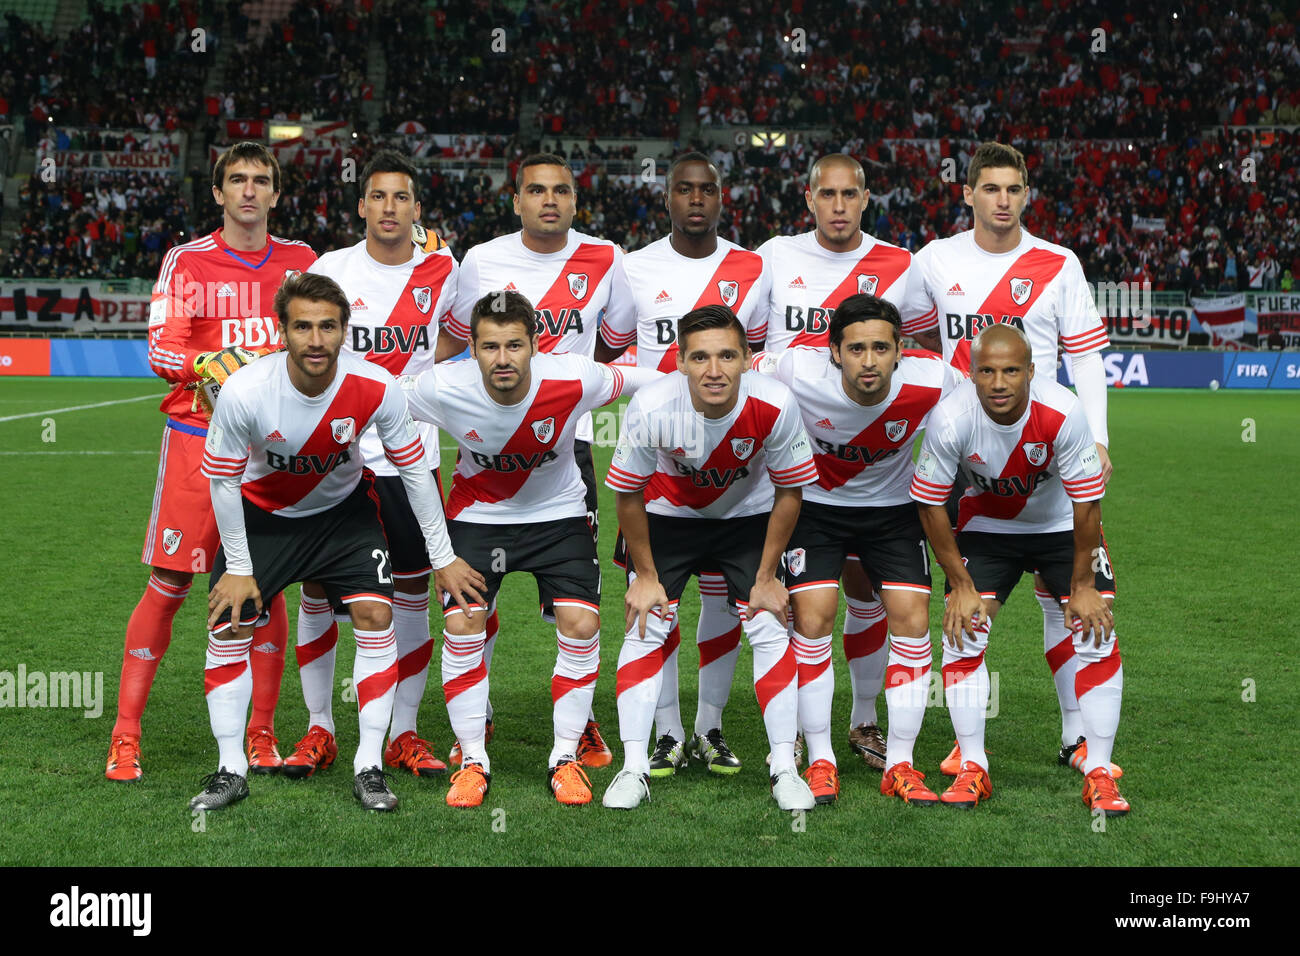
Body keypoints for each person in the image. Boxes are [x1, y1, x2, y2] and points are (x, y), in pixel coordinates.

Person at [192, 272, 483, 812]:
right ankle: (230, 767)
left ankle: (368, 765)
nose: (316, 339)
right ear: (282, 331)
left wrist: (442, 558)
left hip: (343, 516)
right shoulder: (244, 390)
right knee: (229, 623)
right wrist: (237, 566)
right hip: (265, 518)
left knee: (377, 615)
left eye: (328, 326)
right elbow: (223, 480)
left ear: (345, 331)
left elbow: (416, 472)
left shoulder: (375, 386)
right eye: (302, 326)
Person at [903, 142, 1122, 779]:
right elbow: (910, 338)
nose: (1002, 200)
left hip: (1048, 454)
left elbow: (1084, 357)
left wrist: (1099, 437)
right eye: (990, 189)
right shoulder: (935, 260)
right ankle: (969, 745)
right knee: (965, 609)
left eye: (1014, 189)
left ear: (1027, 195)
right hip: (969, 464)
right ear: (967, 193)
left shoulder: (1059, 263)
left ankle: (1077, 735)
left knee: (1067, 603)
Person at [106, 142, 317, 783]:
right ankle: (126, 735)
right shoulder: (187, 261)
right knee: (169, 585)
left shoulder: (302, 261)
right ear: (219, 192)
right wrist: (203, 364)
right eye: (237, 180)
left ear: (276, 195)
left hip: (274, 447)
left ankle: (260, 733)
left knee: (267, 586)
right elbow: (160, 346)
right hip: (197, 440)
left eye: (261, 180)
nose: (249, 191)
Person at [403, 291, 657, 807]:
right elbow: (366, 396)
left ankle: (564, 756)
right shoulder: (440, 385)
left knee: (582, 625)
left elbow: (642, 378)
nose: (503, 359)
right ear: (470, 348)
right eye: (490, 346)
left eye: (514, 345)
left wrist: (717, 382)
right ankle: (473, 758)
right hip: (478, 519)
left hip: (558, 517)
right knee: (463, 623)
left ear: (535, 345)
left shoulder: (573, 377)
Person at [283, 149, 466, 781]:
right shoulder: (330, 268)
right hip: (335, 461)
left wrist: (415, 385)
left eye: (402, 198)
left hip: (409, 461)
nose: (390, 208)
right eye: (378, 197)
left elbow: (457, 338)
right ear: (362, 206)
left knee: (413, 592)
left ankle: (405, 732)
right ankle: (319, 728)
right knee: (316, 588)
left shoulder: (444, 269)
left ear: (417, 210)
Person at [443, 153, 626, 769]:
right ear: (515, 199)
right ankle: (480, 716)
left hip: (563, 442)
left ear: (577, 201)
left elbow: (620, 344)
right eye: (536, 190)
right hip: (489, 441)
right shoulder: (481, 261)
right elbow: (454, 339)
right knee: (476, 599)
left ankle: (581, 724)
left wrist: (573, 392)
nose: (549, 200)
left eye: (562, 191)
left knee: (574, 605)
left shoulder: (605, 257)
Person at [602, 305, 819, 811]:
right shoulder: (652, 405)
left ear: (747, 358)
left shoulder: (776, 402)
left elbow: (790, 492)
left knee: (767, 621)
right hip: (667, 515)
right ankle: (634, 768)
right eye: (699, 357)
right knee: (646, 620)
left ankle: (784, 768)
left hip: (747, 517)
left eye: (726, 356)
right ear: (679, 361)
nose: (714, 370)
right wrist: (647, 577)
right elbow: (628, 494)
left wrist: (767, 577)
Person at [595, 151, 769, 777]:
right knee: (654, 607)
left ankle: (710, 727)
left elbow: (765, 359)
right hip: (658, 477)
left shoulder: (755, 268)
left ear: (722, 199)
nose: (696, 199)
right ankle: (666, 733)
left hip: (735, 479)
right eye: (684, 190)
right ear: (665, 198)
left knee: (727, 607)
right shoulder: (632, 268)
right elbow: (615, 352)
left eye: (708, 190)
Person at [909, 324, 1128, 816]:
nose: (1000, 382)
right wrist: (962, 586)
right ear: (971, 373)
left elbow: (1087, 504)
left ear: (1032, 371)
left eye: (1011, 370)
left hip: (1059, 528)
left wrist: (1083, 585)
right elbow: (928, 507)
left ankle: (1099, 773)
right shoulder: (950, 418)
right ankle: (973, 765)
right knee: (963, 631)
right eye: (987, 371)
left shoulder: (1063, 411)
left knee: (1094, 631)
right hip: (987, 530)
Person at [752, 294, 963, 804]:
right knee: (815, 617)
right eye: (856, 349)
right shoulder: (795, 369)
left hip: (892, 512)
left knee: (913, 619)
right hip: (815, 510)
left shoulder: (936, 379)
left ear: (901, 351)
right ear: (833, 352)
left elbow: (985, 408)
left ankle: (901, 763)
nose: (869, 361)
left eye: (881, 348)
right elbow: (737, 368)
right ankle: (821, 758)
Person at [755, 153, 925, 769]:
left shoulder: (902, 266)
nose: (837, 206)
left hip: (880, 469)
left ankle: (862, 722)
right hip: (796, 470)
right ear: (808, 198)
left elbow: (925, 351)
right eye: (826, 195)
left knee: (869, 596)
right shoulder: (773, 256)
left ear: (865, 198)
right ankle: (791, 730)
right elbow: (747, 346)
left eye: (849, 195)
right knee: (790, 604)